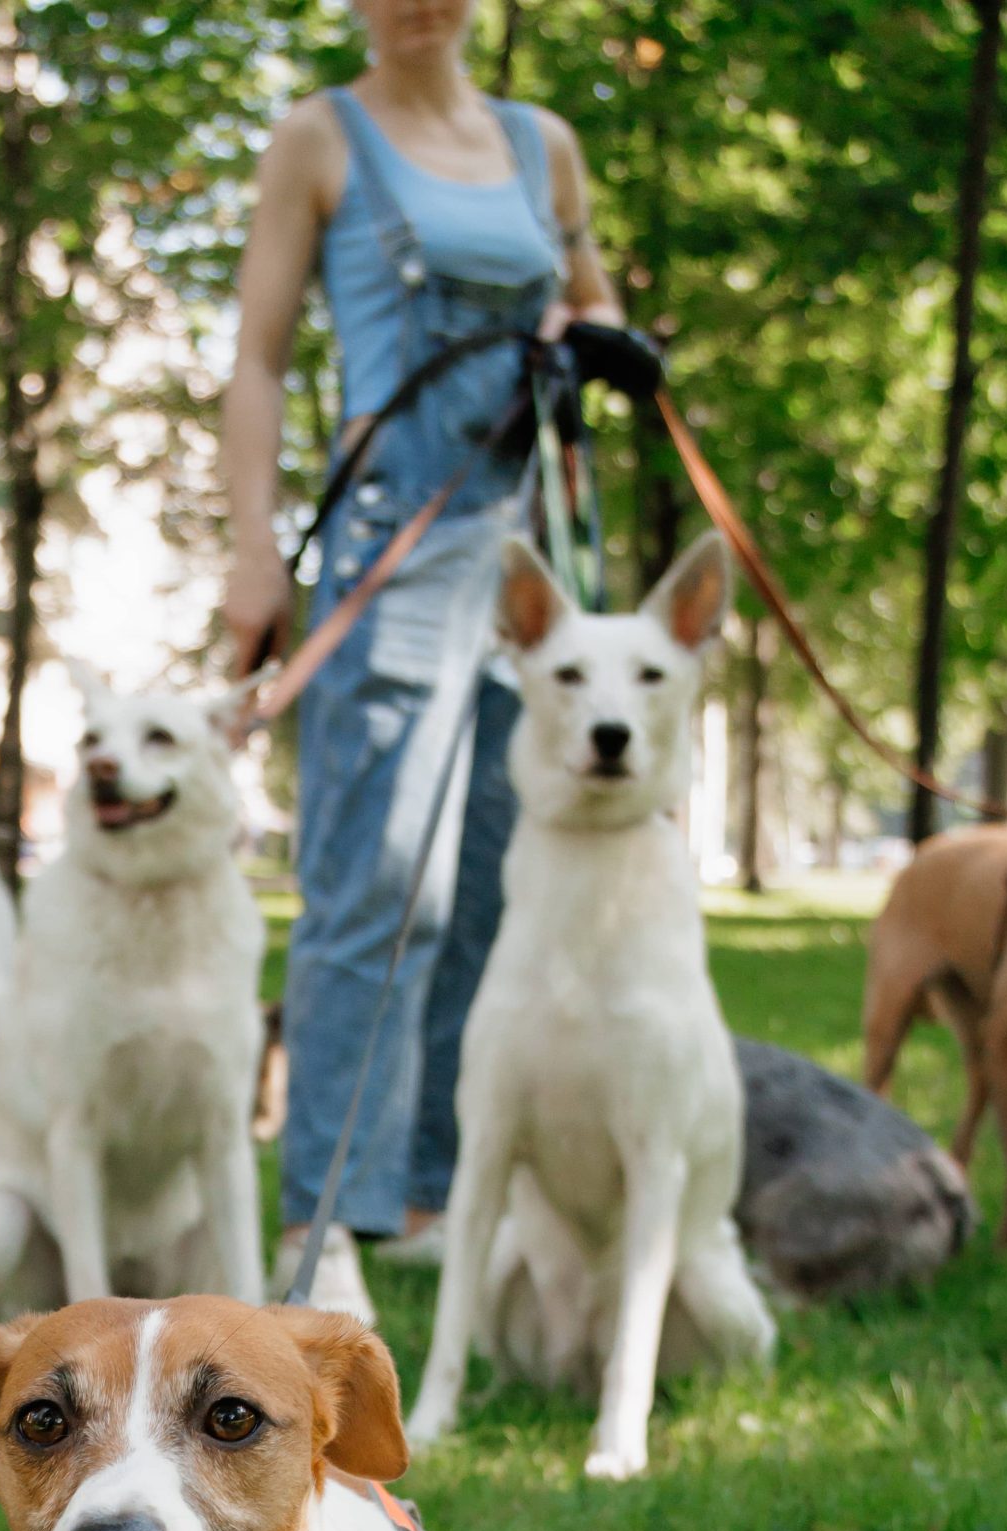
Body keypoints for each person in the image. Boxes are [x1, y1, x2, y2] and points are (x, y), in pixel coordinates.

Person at [222, 0, 623, 1318]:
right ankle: (327, 1222)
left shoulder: (541, 145)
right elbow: (261, 362)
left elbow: (589, 302)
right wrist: (252, 554)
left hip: (528, 571)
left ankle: (436, 1202)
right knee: (377, 895)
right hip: (392, 555)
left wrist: (599, 340)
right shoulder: (317, 140)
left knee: (497, 888)